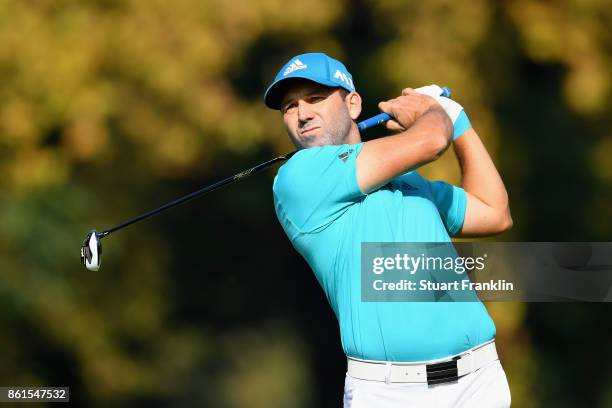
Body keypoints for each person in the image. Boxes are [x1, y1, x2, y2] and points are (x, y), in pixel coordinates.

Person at [264, 52, 513, 407]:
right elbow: (429, 142)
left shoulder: (406, 180)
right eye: (289, 107)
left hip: (479, 382)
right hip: (390, 392)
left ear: (353, 105)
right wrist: (431, 112)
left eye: (315, 99)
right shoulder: (298, 178)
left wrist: (457, 120)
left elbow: (494, 213)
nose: (302, 114)